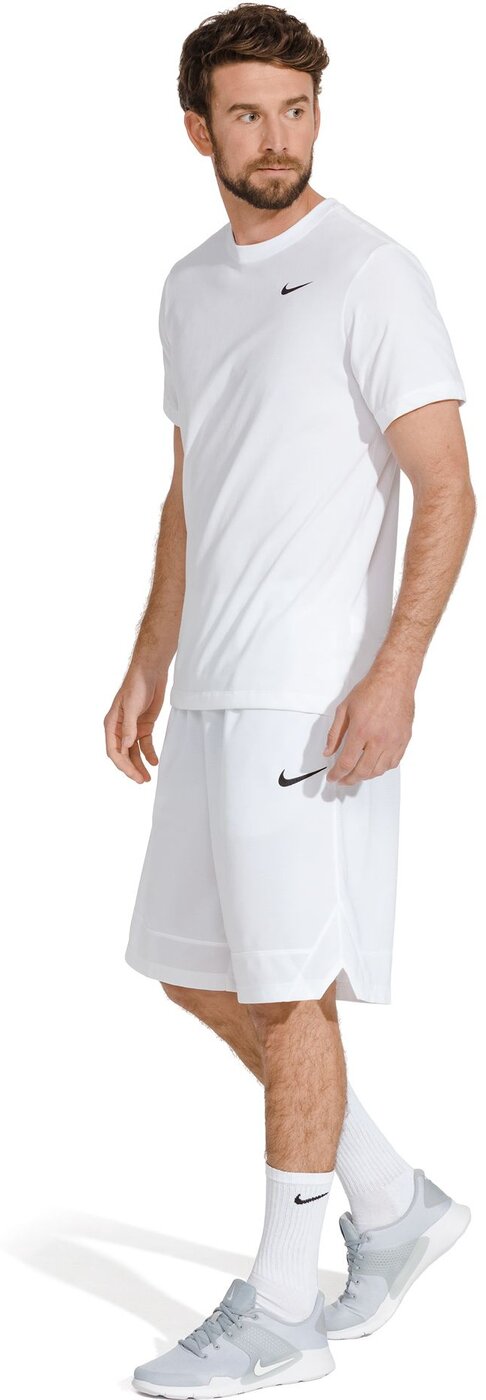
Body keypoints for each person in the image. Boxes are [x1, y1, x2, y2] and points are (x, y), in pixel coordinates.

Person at [104, 6, 475, 1395]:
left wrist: (395, 674)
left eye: (296, 109)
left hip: (309, 702)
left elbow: (447, 487)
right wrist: (151, 654)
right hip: (212, 683)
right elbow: (192, 489)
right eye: (248, 113)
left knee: (290, 987)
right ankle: (392, 1203)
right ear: (197, 128)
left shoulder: (372, 271)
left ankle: (280, 1309)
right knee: (193, 969)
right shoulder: (190, 285)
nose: (277, 139)